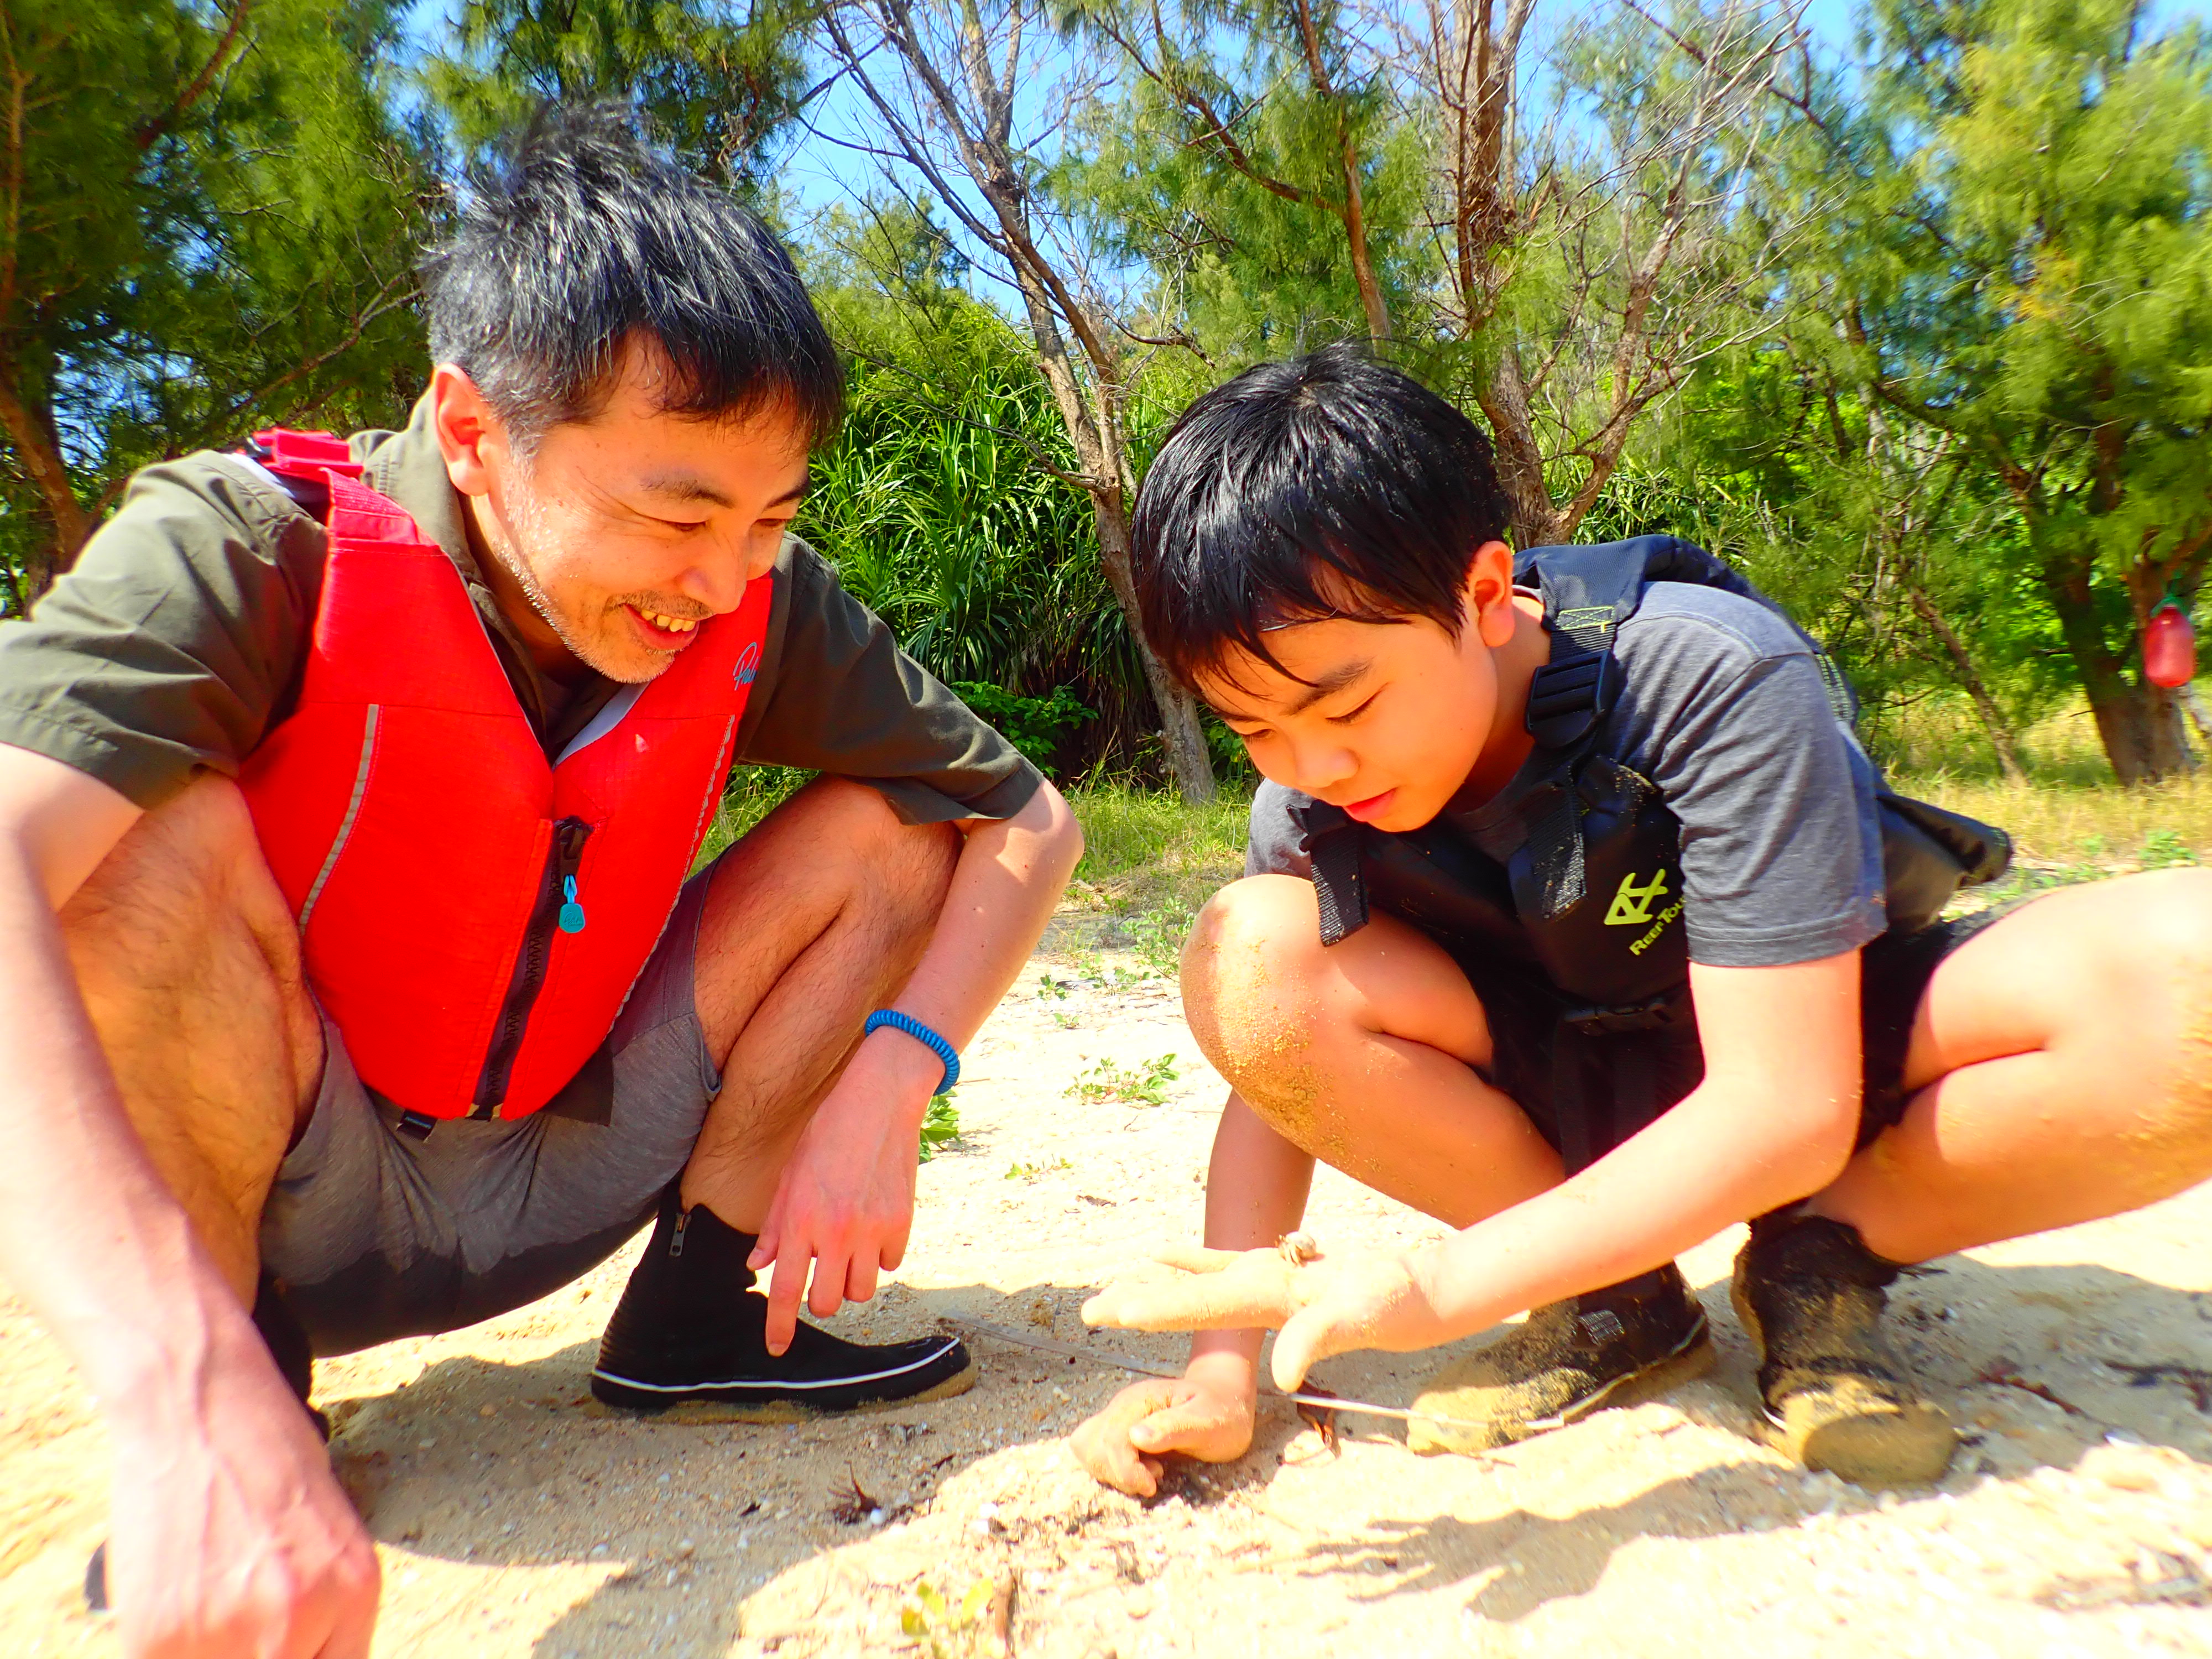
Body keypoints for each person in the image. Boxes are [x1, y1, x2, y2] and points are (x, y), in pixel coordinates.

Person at [0, 107, 1081, 1657]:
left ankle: (700, 1319)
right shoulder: (247, 548)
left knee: (903, 820)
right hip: (294, 1208)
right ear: (470, 430)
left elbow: (1032, 820)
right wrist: (175, 1378)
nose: (722, 581)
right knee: (128, 826)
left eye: (772, 516)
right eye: (678, 510)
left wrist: (894, 1079)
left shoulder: (754, 599)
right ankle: (249, 1411)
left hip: (568, 1161)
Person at [1070, 347, 2212, 1501]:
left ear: (1480, 593)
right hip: (1567, 1085)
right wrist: (1220, 1373)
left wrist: (1440, 1286)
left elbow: (1783, 1104)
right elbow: (1273, 1075)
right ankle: (1613, 1305)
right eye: (1250, 728)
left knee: (2190, 983)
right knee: (1248, 949)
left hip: (1818, 1043)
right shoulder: (1309, 803)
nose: (1309, 763)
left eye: (1346, 702)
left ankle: (1823, 1258)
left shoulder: (1708, 673)